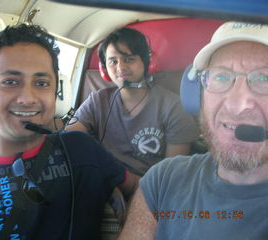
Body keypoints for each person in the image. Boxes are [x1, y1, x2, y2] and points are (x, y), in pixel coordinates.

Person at [0, 24, 138, 240]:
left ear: (58, 93)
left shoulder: (80, 148)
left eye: (41, 83)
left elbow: (146, 189)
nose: (28, 98)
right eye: (10, 82)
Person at [117, 21, 268, 240]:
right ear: (199, 94)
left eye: (264, 78)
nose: (236, 105)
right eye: (221, 77)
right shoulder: (164, 180)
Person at [66, 28, 198, 176]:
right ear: (104, 69)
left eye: (129, 59)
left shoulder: (173, 108)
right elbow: (69, 140)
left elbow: (174, 173)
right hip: (103, 181)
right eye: (113, 61)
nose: (120, 67)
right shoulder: (97, 100)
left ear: (147, 62)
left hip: (149, 189)